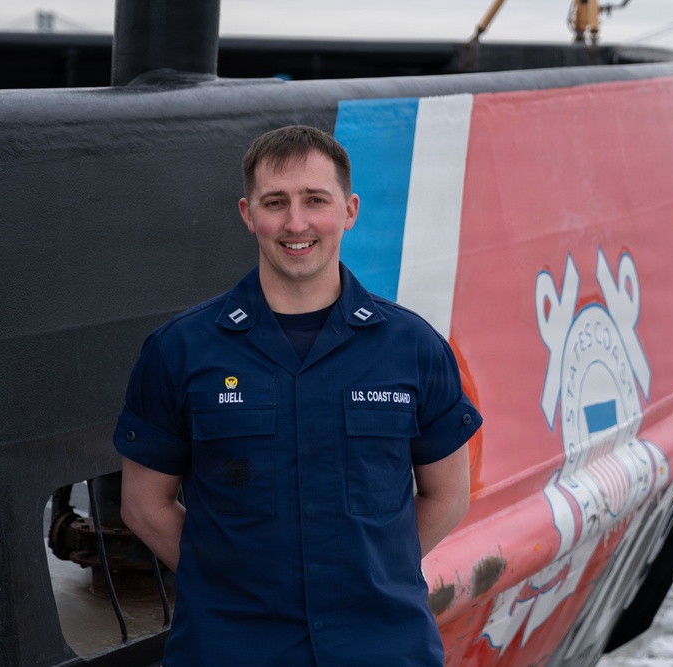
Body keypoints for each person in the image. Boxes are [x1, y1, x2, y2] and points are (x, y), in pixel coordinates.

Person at [113, 125, 482, 666]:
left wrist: (367, 573)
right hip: (230, 650)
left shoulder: (414, 348)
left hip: (382, 647)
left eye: (315, 200)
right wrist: (229, 583)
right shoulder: (181, 350)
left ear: (350, 209)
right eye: (275, 202)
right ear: (247, 214)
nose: (296, 223)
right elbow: (144, 506)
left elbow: (448, 497)